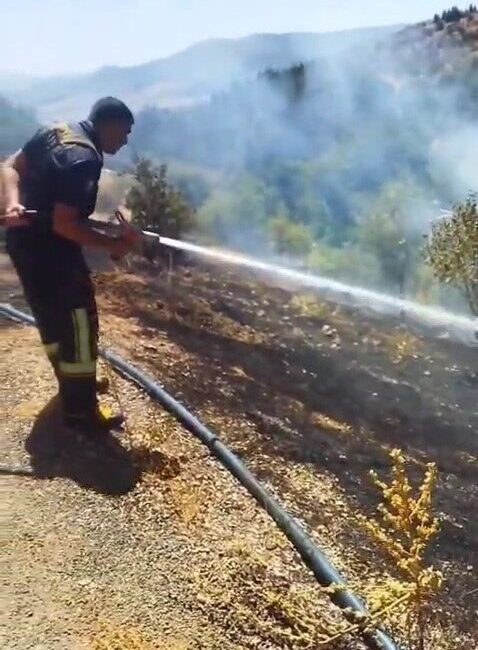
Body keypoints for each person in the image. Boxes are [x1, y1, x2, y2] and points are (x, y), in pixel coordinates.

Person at [2, 96, 140, 434]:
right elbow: (64, 224)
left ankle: (73, 385)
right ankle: (81, 412)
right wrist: (116, 245)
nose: (125, 141)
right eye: (124, 132)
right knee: (79, 324)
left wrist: (13, 204)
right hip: (50, 251)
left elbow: (10, 166)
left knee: (51, 317)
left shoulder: (57, 130)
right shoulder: (84, 160)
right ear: (109, 125)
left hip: (23, 244)